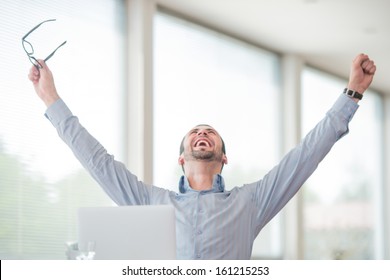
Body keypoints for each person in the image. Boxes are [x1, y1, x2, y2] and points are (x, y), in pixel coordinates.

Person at [28, 53, 376, 259]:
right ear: (182, 158)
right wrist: (51, 99)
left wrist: (353, 92)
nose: (202, 133)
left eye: (210, 132)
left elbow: (305, 155)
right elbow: (97, 161)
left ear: (224, 157)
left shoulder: (250, 202)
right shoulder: (151, 202)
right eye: (194, 132)